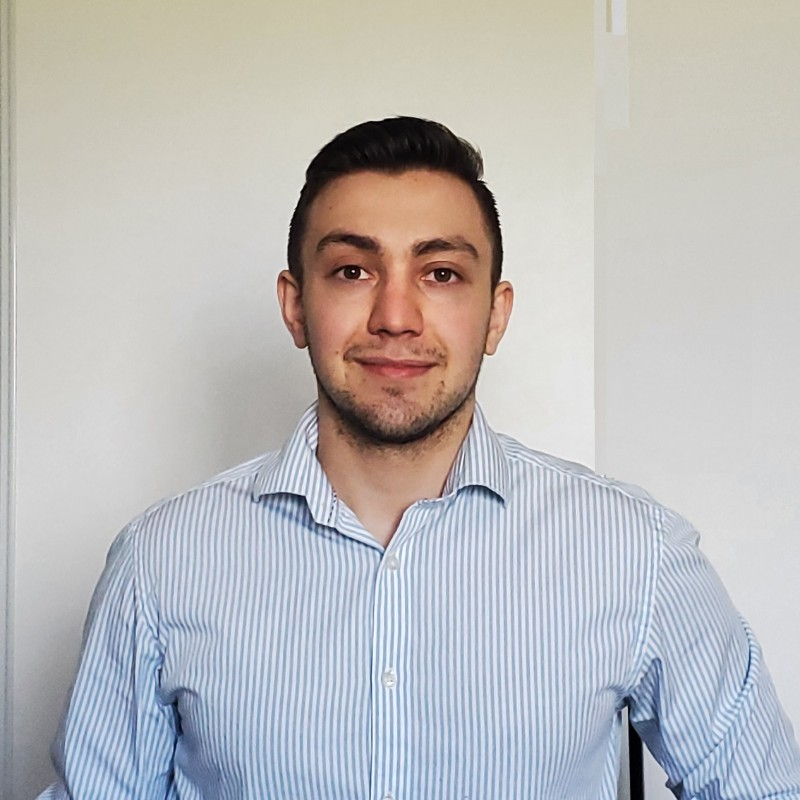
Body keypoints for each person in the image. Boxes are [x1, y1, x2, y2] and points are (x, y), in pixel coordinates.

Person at [38, 117, 800, 799]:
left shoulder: (639, 553)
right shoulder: (161, 562)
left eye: (440, 274)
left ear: (494, 314)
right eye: (352, 270)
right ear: (296, 306)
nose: (395, 317)